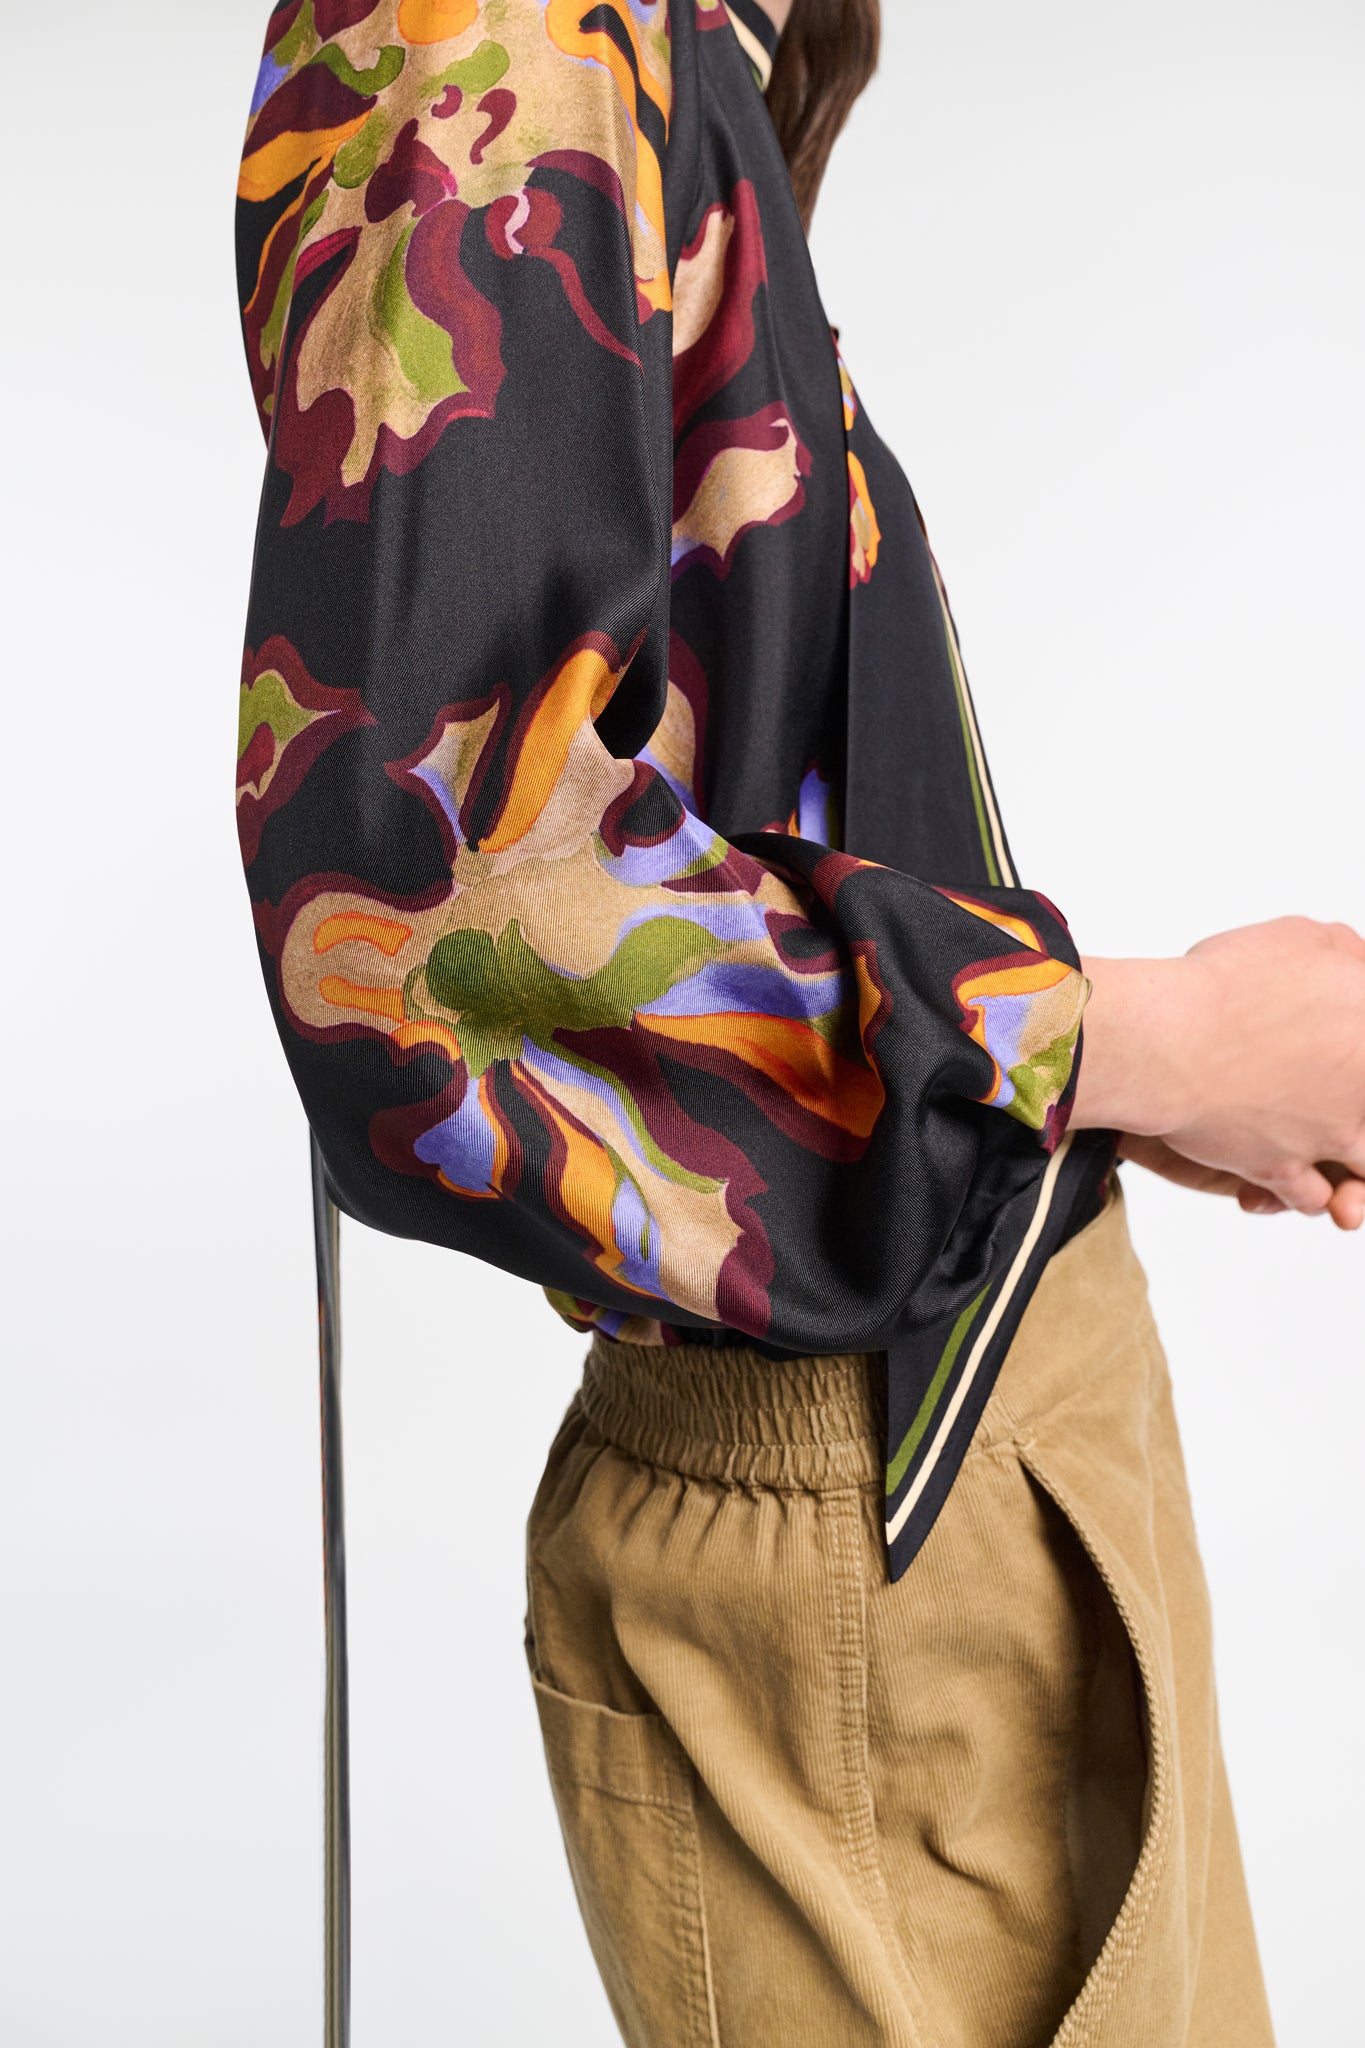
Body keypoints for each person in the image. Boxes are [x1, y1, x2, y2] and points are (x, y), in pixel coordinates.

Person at [234, 0, 1364, 2040]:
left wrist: (1075, 1084)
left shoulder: (665, 39)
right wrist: (1140, 1038)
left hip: (954, 1407)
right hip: (855, 1499)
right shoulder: (502, 36)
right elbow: (427, 916)